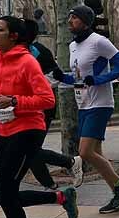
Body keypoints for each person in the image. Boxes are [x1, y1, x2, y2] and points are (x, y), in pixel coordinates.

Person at [0, 16, 78, 218]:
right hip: (6, 128)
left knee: (4, 191)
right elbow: (2, 93)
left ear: (14, 36)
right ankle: (61, 198)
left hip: (28, 129)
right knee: (6, 192)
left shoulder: (27, 62)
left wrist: (14, 101)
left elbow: (47, 100)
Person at [51, 4, 119, 214]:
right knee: (96, 153)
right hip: (83, 103)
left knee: (85, 152)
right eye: (69, 17)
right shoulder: (72, 46)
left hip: (101, 103)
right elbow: (81, 78)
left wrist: (98, 79)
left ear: (86, 22)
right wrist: (64, 78)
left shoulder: (99, 41)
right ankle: (118, 195)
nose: (70, 21)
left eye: (75, 18)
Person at [25, 19, 83, 190]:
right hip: (22, 107)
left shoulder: (38, 51)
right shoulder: (12, 53)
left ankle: (69, 163)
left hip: (42, 106)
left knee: (30, 150)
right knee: (29, 150)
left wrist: (33, 87)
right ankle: (51, 185)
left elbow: (55, 74)